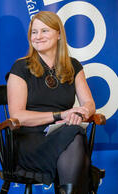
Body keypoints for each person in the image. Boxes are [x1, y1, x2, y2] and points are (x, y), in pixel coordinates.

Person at [6, 11, 95, 194]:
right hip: (31, 140)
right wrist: (60, 115)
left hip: (64, 133)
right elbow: (17, 116)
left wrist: (81, 112)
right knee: (76, 139)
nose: (38, 37)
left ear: (59, 34)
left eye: (44, 31)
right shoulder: (20, 68)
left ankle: (67, 191)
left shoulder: (73, 66)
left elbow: (89, 103)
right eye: (34, 32)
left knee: (74, 132)